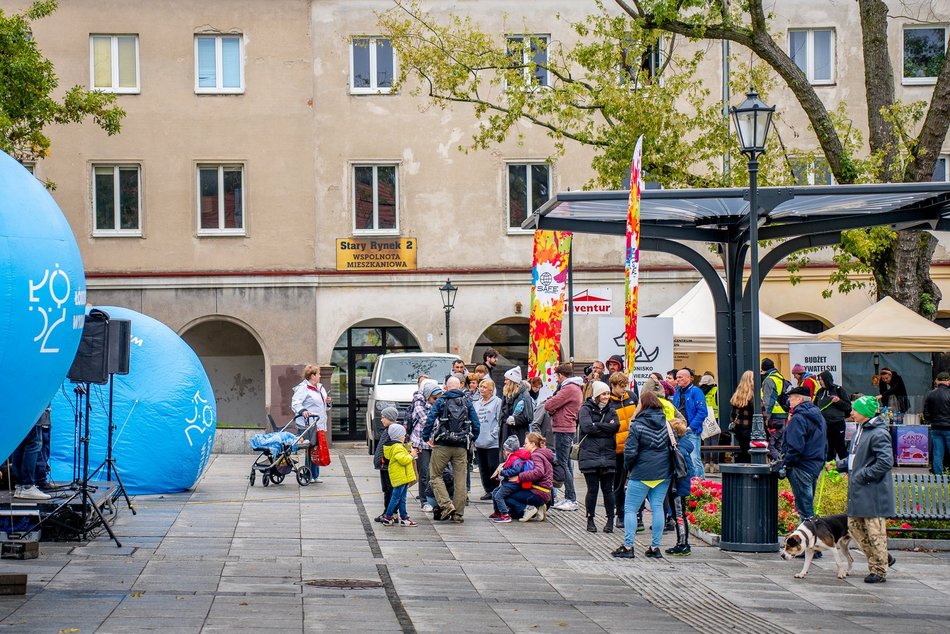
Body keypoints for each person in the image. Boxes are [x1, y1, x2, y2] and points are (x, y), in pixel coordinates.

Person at [832, 395, 895, 584]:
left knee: (874, 532)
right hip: (860, 491)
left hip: (872, 493)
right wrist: (840, 465)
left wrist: (862, 475)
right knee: (854, 527)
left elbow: (885, 462)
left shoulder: (878, 433)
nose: (851, 412)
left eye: (855, 410)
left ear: (865, 413)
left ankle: (879, 569)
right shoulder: (862, 430)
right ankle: (881, 558)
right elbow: (855, 457)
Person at [612, 391, 673, 559]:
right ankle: (655, 547)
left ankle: (628, 546)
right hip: (663, 472)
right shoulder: (666, 423)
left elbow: (630, 452)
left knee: (630, 509)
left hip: (641, 472)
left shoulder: (637, 425)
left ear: (643, 405)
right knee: (658, 507)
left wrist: (628, 468)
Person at [422, 376, 480, 523]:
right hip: (461, 446)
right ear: (459, 387)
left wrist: (426, 437)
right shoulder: (467, 402)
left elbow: (430, 419)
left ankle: (447, 505)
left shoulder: (441, 400)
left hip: (442, 444)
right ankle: (458, 515)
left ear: (446, 387)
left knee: (435, 476)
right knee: (460, 480)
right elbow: (476, 423)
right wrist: (472, 438)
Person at [577, 381, 621, 533]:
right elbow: (586, 427)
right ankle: (590, 519)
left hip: (608, 455)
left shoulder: (612, 409)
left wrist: (597, 426)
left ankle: (610, 520)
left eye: (608, 394)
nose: (606, 397)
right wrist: (605, 427)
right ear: (596, 395)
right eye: (603, 394)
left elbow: (616, 427)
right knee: (592, 490)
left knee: (608, 490)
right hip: (590, 454)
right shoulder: (585, 409)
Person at [782, 386, 827, 520]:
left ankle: (809, 537)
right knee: (808, 504)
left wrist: (786, 463)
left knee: (805, 509)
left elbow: (795, 446)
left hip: (800, 466)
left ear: (799, 399)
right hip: (814, 464)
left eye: (791, 397)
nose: (789, 400)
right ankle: (810, 535)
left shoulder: (798, 418)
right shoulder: (818, 415)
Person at [544, 363, 584, 511]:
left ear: (561, 375)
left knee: (563, 464)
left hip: (563, 428)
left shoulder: (569, 388)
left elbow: (549, 405)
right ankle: (568, 497)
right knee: (566, 463)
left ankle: (571, 498)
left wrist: (553, 408)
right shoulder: (575, 388)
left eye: (557, 376)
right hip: (566, 428)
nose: (556, 379)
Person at [608, 372, 638, 530]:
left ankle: (637, 516)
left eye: (625, 386)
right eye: (621, 386)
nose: (624, 389)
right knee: (618, 485)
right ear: (612, 386)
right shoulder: (608, 402)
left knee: (637, 483)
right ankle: (620, 515)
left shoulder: (632, 397)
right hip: (617, 450)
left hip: (634, 448)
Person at [291, 365, 331, 482]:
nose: (320, 376)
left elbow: (325, 408)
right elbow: (295, 403)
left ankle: (314, 475)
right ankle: (309, 475)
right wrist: (303, 410)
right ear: (312, 375)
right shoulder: (303, 388)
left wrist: (327, 402)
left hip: (319, 423)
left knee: (316, 448)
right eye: (318, 374)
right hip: (307, 424)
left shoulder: (320, 388)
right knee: (310, 447)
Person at [505, 432, 555, 522]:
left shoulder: (536, 455)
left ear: (532, 444)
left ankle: (528, 509)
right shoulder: (541, 453)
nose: (524, 445)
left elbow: (538, 472)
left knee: (505, 496)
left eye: (526, 443)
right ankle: (539, 507)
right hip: (544, 491)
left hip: (538, 492)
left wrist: (519, 477)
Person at [409, 380, 442, 512]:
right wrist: (439, 419)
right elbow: (426, 421)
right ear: (428, 396)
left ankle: (434, 498)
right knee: (424, 473)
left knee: (435, 473)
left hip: (435, 443)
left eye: (439, 398)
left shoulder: (437, 404)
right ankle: (424, 501)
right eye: (435, 398)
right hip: (421, 442)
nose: (437, 400)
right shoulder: (418, 403)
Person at [489, 435, 536, 523]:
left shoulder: (516, 459)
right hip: (509, 482)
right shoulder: (513, 457)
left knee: (499, 496)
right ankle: (497, 512)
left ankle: (505, 515)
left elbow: (515, 470)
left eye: (505, 449)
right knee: (495, 492)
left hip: (513, 483)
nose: (504, 452)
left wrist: (503, 472)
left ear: (509, 450)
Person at [666, 416, 695, 556]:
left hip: (678, 486)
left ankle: (683, 543)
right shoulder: (683, 445)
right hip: (679, 485)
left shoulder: (678, 449)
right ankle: (682, 542)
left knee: (679, 515)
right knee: (680, 514)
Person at [380, 424, 419, 526]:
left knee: (402, 498)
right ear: (398, 436)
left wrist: (410, 449)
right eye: (403, 435)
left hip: (402, 477)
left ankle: (404, 517)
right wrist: (412, 455)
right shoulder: (397, 447)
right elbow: (403, 460)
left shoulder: (396, 446)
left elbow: (402, 454)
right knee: (396, 498)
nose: (405, 437)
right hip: (400, 477)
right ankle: (388, 517)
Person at [12, 407, 52, 500]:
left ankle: (21, 485)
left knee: (20, 443)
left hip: (18, 412)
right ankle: (27, 486)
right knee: (34, 443)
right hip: (30, 411)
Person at [673, 368, 706, 479]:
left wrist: (691, 427)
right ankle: (691, 486)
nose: (677, 379)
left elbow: (702, 412)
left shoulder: (696, 391)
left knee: (694, 458)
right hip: (679, 431)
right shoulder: (677, 391)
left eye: (680, 377)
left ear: (689, 378)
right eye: (677, 377)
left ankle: (701, 486)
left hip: (691, 431)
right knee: (683, 459)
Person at [473, 378, 502, 499]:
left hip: (492, 442)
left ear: (491, 389)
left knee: (493, 466)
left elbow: (499, 420)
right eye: (480, 386)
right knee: (483, 467)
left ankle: (496, 489)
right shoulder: (476, 404)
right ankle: (488, 489)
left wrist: (493, 435)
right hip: (479, 441)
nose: (482, 389)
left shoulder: (497, 402)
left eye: (485, 387)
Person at [814, 371, 852, 462]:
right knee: (829, 448)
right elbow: (815, 405)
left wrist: (838, 401)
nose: (820, 382)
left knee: (840, 447)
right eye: (819, 380)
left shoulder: (839, 389)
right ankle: (830, 469)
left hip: (837, 423)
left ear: (827, 379)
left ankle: (846, 467)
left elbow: (848, 406)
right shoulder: (820, 392)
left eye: (822, 380)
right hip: (824, 424)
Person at [373, 406, 400, 521]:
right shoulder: (387, 430)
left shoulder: (392, 431)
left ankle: (390, 513)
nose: (381, 419)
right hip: (383, 465)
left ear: (390, 418)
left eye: (383, 417)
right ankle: (389, 512)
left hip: (387, 466)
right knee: (386, 489)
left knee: (389, 490)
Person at [761, 358, 789, 462]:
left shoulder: (769, 380)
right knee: (779, 444)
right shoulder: (780, 378)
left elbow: (768, 401)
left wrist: (765, 419)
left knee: (769, 445)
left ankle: (782, 464)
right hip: (783, 415)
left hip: (773, 417)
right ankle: (780, 469)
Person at [499, 366, 534, 450]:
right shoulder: (506, 395)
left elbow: (529, 417)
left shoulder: (525, 396)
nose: (505, 382)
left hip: (519, 433)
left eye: (507, 380)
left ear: (512, 381)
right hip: (505, 431)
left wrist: (515, 420)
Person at [922, 371, 950, 475]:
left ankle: (938, 476)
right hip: (949, 428)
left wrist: (932, 420)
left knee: (938, 453)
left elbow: (926, 412)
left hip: (936, 428)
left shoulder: (930, 394)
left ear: (937, 381)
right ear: (948, 381)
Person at [729, 371, 756, 464]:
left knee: (744, 451)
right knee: (752, 454)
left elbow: (732, 416)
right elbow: (762, 415)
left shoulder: (737, 396)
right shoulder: (754, 397)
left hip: (739, 430)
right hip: (752, 429)